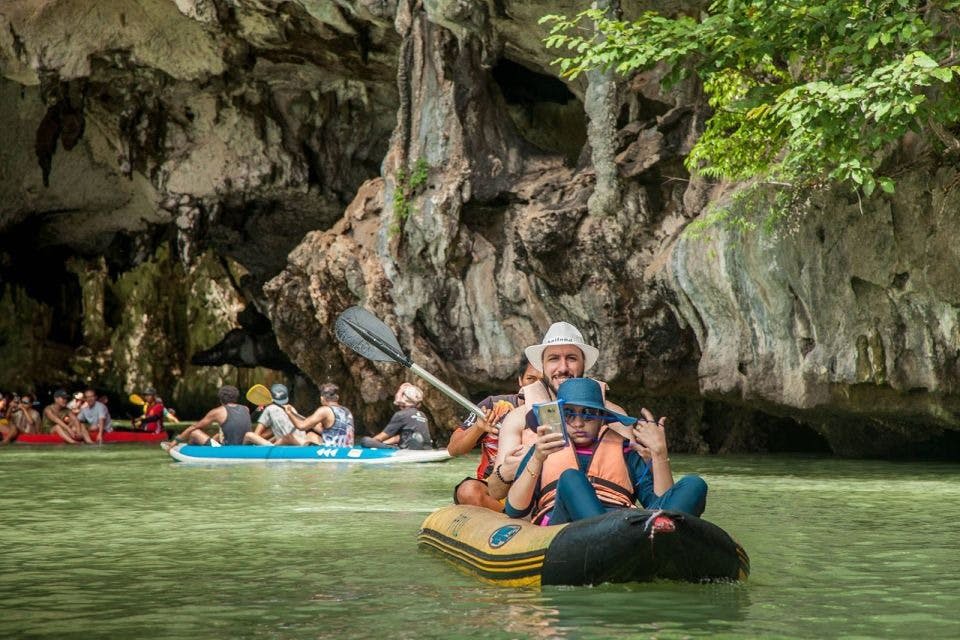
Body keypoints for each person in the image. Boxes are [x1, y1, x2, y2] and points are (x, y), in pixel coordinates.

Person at [505, 378, 707, 525]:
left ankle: (659, 545)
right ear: (558, 416)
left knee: (694, 484)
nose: (578, 423)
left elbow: (659, 506)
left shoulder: (625, 451)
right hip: (566, 526)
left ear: (602, 418)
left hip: (620, 521)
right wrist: (537, 458)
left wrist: (659, 454)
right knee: (570, 478)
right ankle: (606, 534)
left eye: (588, 415)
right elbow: (515, 509)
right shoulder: (542, 449)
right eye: (569, 414)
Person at [489, 322, 630, 501]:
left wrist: (656, 457)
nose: (562, 368)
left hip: (606, 510)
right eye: (554, 358)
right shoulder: (518, 418)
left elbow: (639, 482)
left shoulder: (616, 416)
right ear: (543, 365)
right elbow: (494, 492)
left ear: (584, 364)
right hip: (545, 517)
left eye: (571, 358)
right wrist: (507, 471)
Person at [447, 355, 542, 510]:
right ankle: (511, 517)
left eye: (541, 381)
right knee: (468, 491)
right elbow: (453, 449)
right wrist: (478, 428)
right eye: (530, 379)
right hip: (493, 488)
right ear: (520, 380)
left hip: (536, 485)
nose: (535, 386)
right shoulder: (493, 405)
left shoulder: (556, 408)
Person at [166, 385, 253, 447]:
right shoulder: (246, 409)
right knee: (219, 434)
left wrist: (175, 441)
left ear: (220, 399)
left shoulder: (218, 411)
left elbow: (194, 427)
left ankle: (191, 451)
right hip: (244, 446)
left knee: (194, 433)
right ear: (236, 397)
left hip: (227, 449)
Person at [361, 383, 432, 450]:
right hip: (425, 448)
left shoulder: (401, 414)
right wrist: (384, 443)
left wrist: (372, 443)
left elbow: (380, 438)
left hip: (408, 450)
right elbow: (404, 436)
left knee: (365, 441)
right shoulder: (422, 415)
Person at [284, 382, 355, 447]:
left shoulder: (324, 410)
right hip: (346, 449)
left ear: (322, 398)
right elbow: (333, 431)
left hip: (332, 450)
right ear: (337, 397)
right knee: (311, 435)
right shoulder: (346, 411)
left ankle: (273, 450)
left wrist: (289, 413)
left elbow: (301, 426)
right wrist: (313, 424)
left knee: (289, 438)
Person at [246, 383, 317, 446]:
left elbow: (256, 435)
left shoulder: (269, 409)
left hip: (288, 444)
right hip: (301, 441)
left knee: (249, 435)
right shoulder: (291, 409)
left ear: (271, 396)